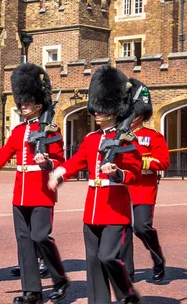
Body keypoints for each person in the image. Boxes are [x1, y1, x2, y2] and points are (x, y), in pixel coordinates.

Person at [48, 65, 142, 304]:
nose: (96, 114)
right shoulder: (91, 139)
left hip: (115, 210)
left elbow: (135, 172)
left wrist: (118, 173)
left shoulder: (127, 139)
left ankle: (127, 293)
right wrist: (59, 174)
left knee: (108, 256)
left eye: (101, 110)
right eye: (96, 109)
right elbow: (76, 161)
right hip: (92, 210)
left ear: (113, 109)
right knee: (93, 261)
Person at [0, 63, 69, 304]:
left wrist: (47, 163)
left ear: (39, 104)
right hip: (20, 193)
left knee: (41, 237)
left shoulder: (51, 129)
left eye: (27, 103)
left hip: (42, 191)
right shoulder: (19, 131)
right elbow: (2, 155)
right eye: (21, 103)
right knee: (25, 243)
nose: (23, 106)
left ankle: (59, 277)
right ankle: (32, 291)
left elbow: (60, 160)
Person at [121, 78, 169, 283]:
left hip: (143, 187)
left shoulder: (153, 136)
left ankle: (158, 260)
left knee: (141, 227)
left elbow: (164, 162)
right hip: (121, 187)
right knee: (122, 228)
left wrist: (144, 163)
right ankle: (127, 272)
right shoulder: (117, 135)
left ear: (139, 115)